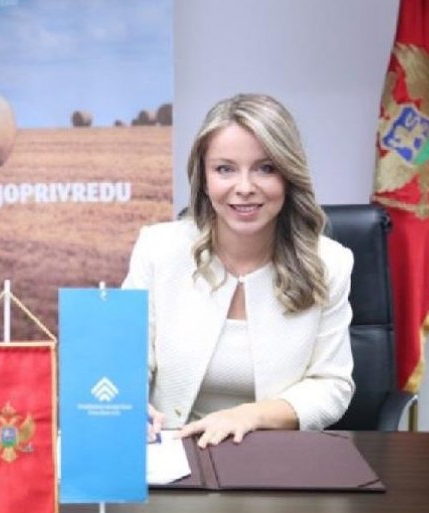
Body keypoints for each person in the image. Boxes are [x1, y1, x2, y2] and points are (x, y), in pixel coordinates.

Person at [125, 93, 355, 448]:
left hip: (277, 455)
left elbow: (333, 384)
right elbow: (126, 359)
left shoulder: (329, 264)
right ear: (204, 178)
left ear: (289, 175)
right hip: (174, 449)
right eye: (224, 169)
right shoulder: (157, 249)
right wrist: (130, 402)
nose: (244, 188)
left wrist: (249, 416)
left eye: (266, 168)